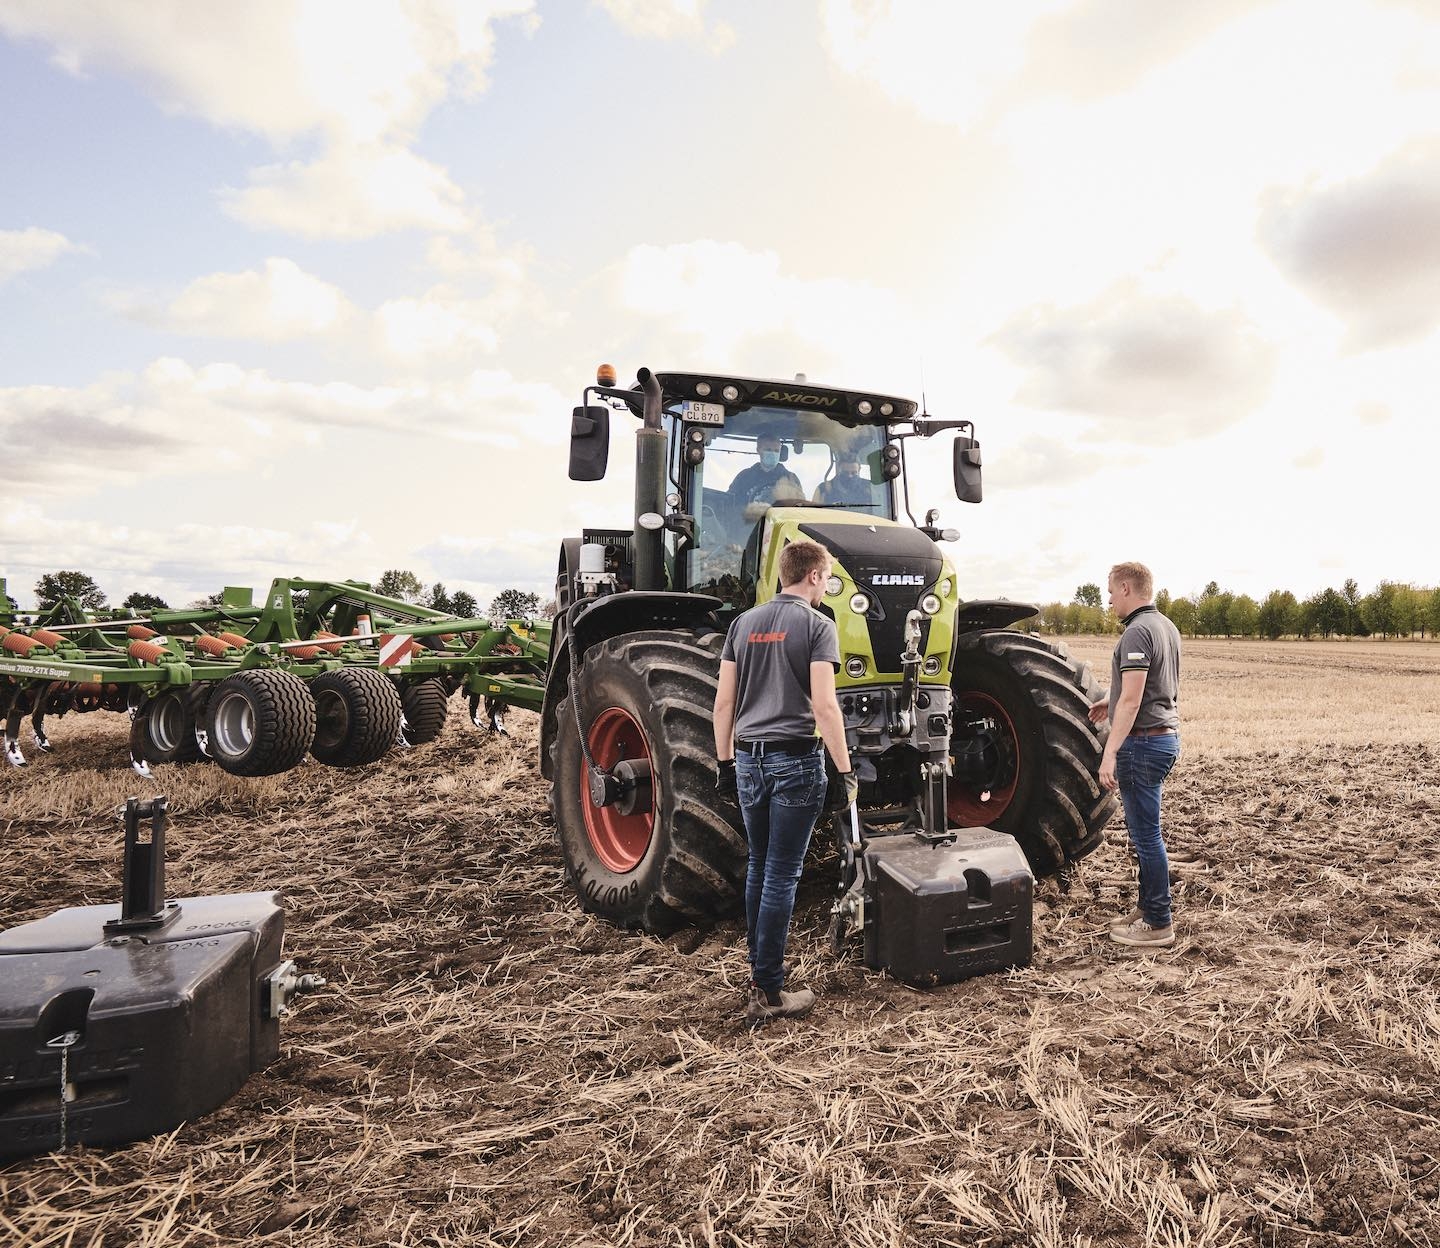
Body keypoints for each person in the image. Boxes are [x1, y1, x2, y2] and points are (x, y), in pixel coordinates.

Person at [712, 539, 857, 1025]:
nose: (827, 585)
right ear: (814, 576)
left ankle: (759, 965)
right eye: (828, 575)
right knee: (782, 873)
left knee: (760, 864)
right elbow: (824, 706)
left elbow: (724, 705)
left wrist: (724, 762)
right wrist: (843, 770)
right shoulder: (818, 626)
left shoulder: (743, 624)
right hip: (794, 760)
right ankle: (769, 990)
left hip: (749, 763)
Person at [1088, 561, 1182, 949]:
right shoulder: (1164, 626)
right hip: (1161, 738)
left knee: (1147, 839)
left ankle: (1159, 921)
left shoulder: (1137, 632)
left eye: (1111, 591)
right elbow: (1146, 686)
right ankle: (1147, 908)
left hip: (1142, 745)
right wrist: (1110, 700)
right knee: (1148, 835)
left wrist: (1109, 753)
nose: (1108, 599)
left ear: (1127, 588)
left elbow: (1132, 700)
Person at [727, 432, 802, 512]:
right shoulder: (744, 477)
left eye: (776, 451)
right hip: (748, 523)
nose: (773, 454)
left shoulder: (790, 478)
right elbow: (728, 503)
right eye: (768, 450)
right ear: (758, 450)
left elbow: (800, 508)